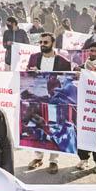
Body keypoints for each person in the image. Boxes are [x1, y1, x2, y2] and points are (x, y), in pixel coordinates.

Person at [26, 33, 73, 174]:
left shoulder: (64, 61)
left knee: (54, 128)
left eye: (45, 42)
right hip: (37, 98)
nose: (42, 44)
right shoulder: (33, 57)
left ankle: (53, 161)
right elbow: (27, 76)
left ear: (53, 43)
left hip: (55, 100)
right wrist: (31, 72)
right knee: (37, 127)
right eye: (40, 42)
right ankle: (38, 158)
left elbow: (66, 81)